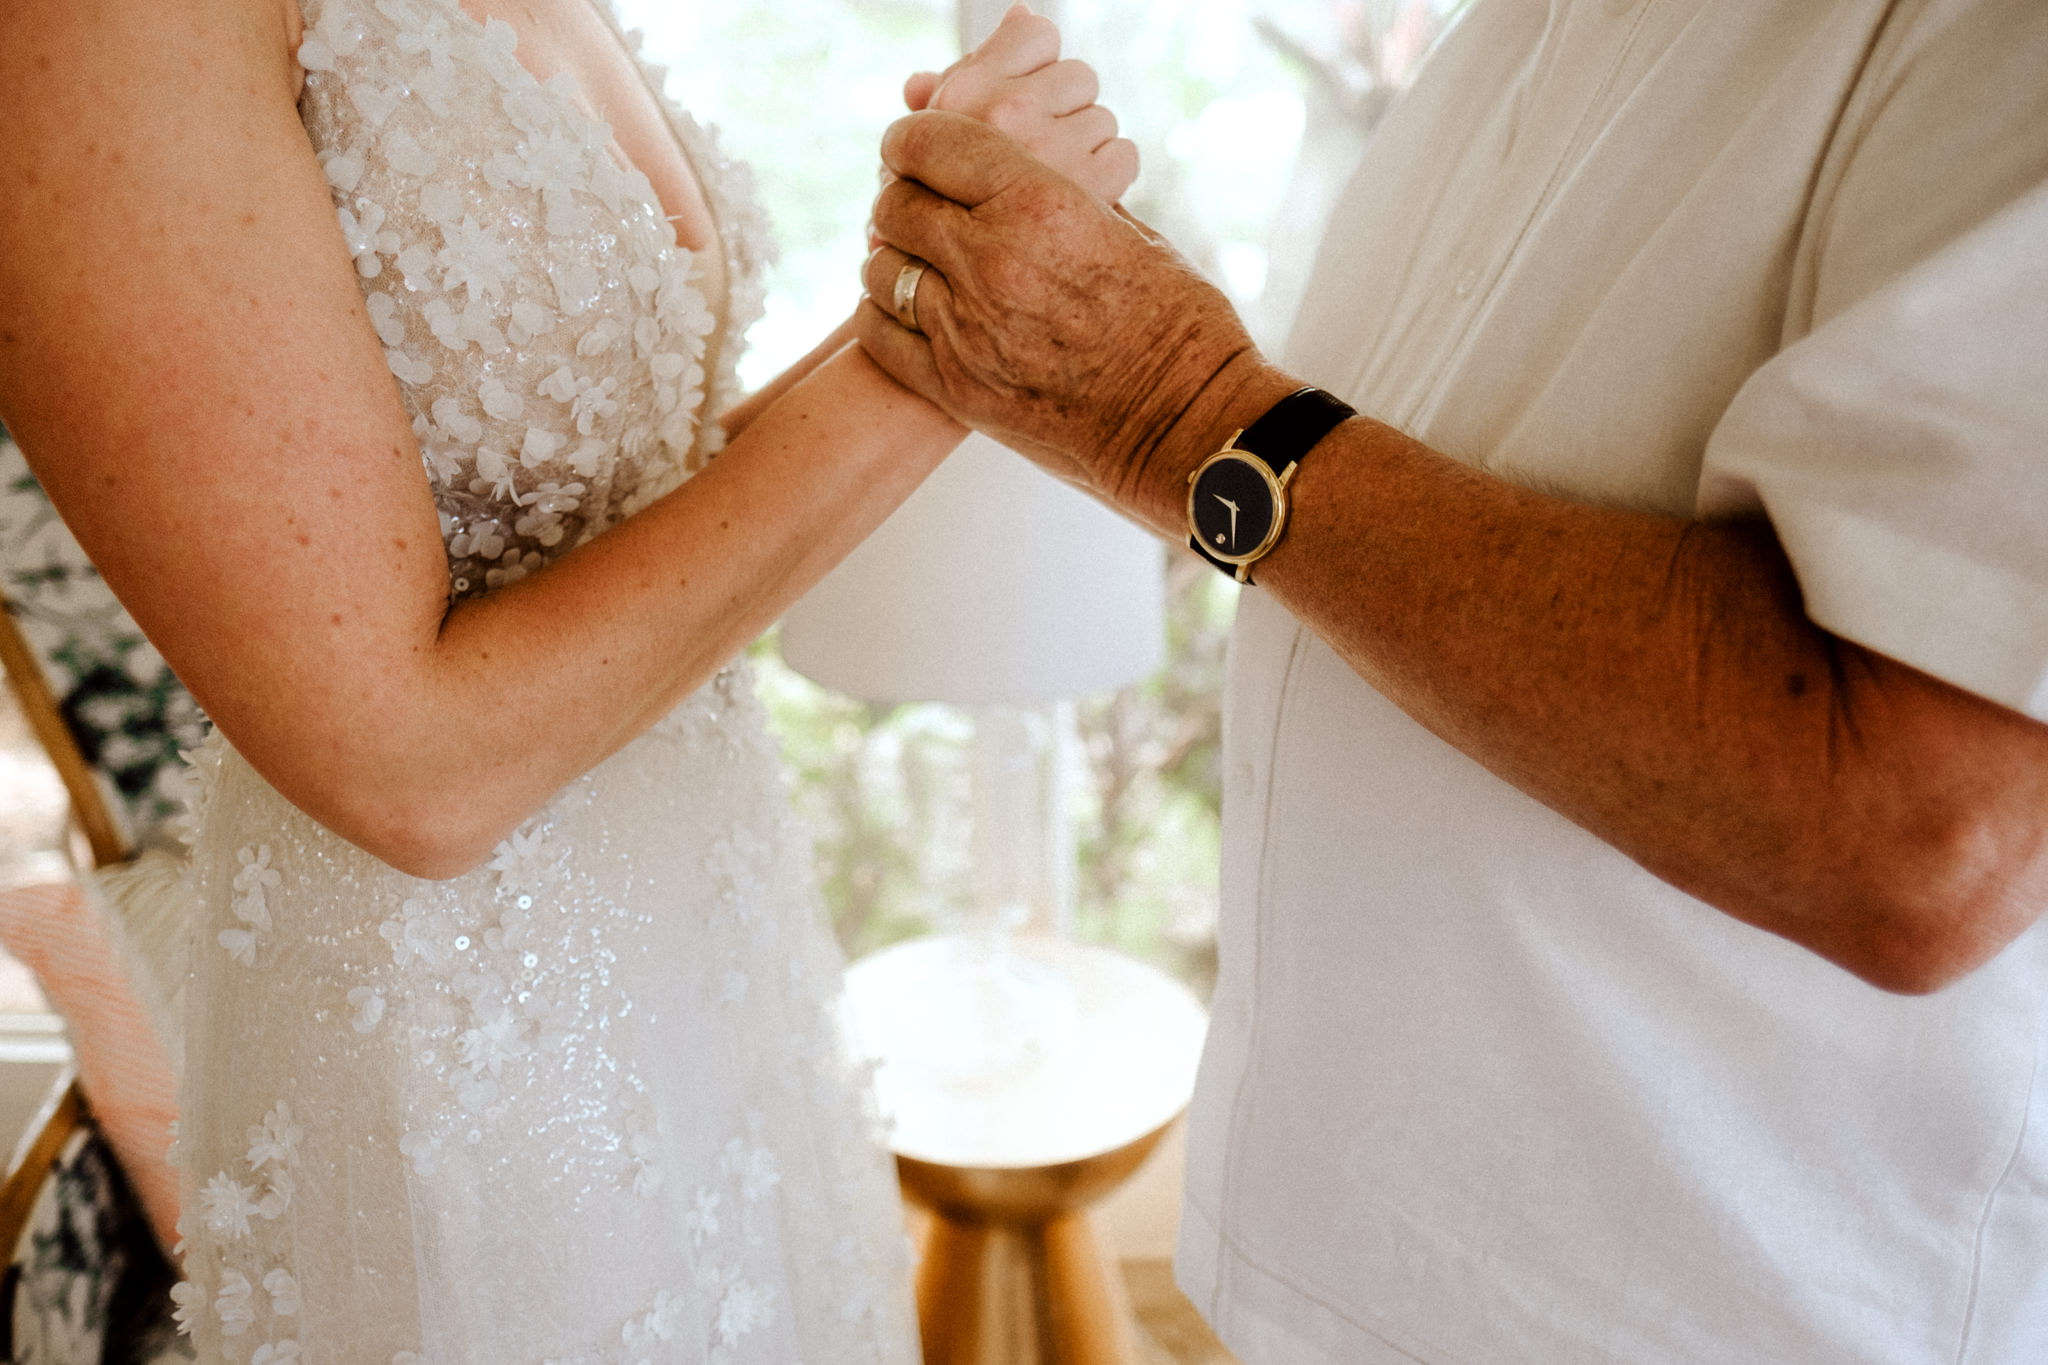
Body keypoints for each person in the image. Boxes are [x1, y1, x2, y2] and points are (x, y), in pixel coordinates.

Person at [857, 0, 2048, 1359]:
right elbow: (1380, 501)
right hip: (1361, 1263)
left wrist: (1171, 406)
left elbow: (1912, 815)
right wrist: (1099, 335)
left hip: (1698, 1307)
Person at [0, 0, 1134, 1360]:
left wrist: (939, 273)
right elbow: (404, 765)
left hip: (719, 955)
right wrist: (964, 338)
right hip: (464, 1065)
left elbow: (629, 496)